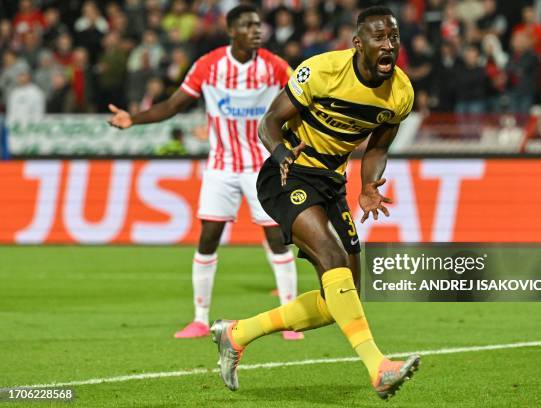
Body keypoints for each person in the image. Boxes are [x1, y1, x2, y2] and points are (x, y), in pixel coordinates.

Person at [210, 6, 419, 400]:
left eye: (393, 37)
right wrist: (279, 153)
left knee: (340, 298)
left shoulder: (401, 93)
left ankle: (237, 333)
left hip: (331, 182)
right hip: (288, 173)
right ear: (359, 44)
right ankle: (379, 367)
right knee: (332, 259)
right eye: (379, 38)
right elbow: (269, 122)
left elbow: (377, 146)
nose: (388, 45)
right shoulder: (321, 71)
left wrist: (369, 183)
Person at [107, 5, 302, 341]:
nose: (257, 30)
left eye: (258, 25)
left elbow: (304, 97)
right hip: (221, 166)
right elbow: (172, 105)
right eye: (248, 25)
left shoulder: (274, 66)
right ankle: (199, 319)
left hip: (262, 167)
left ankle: (289, 319)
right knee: (208, 238)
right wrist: (133, 119)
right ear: (231, 31)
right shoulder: (210, 66)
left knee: (276, 238)